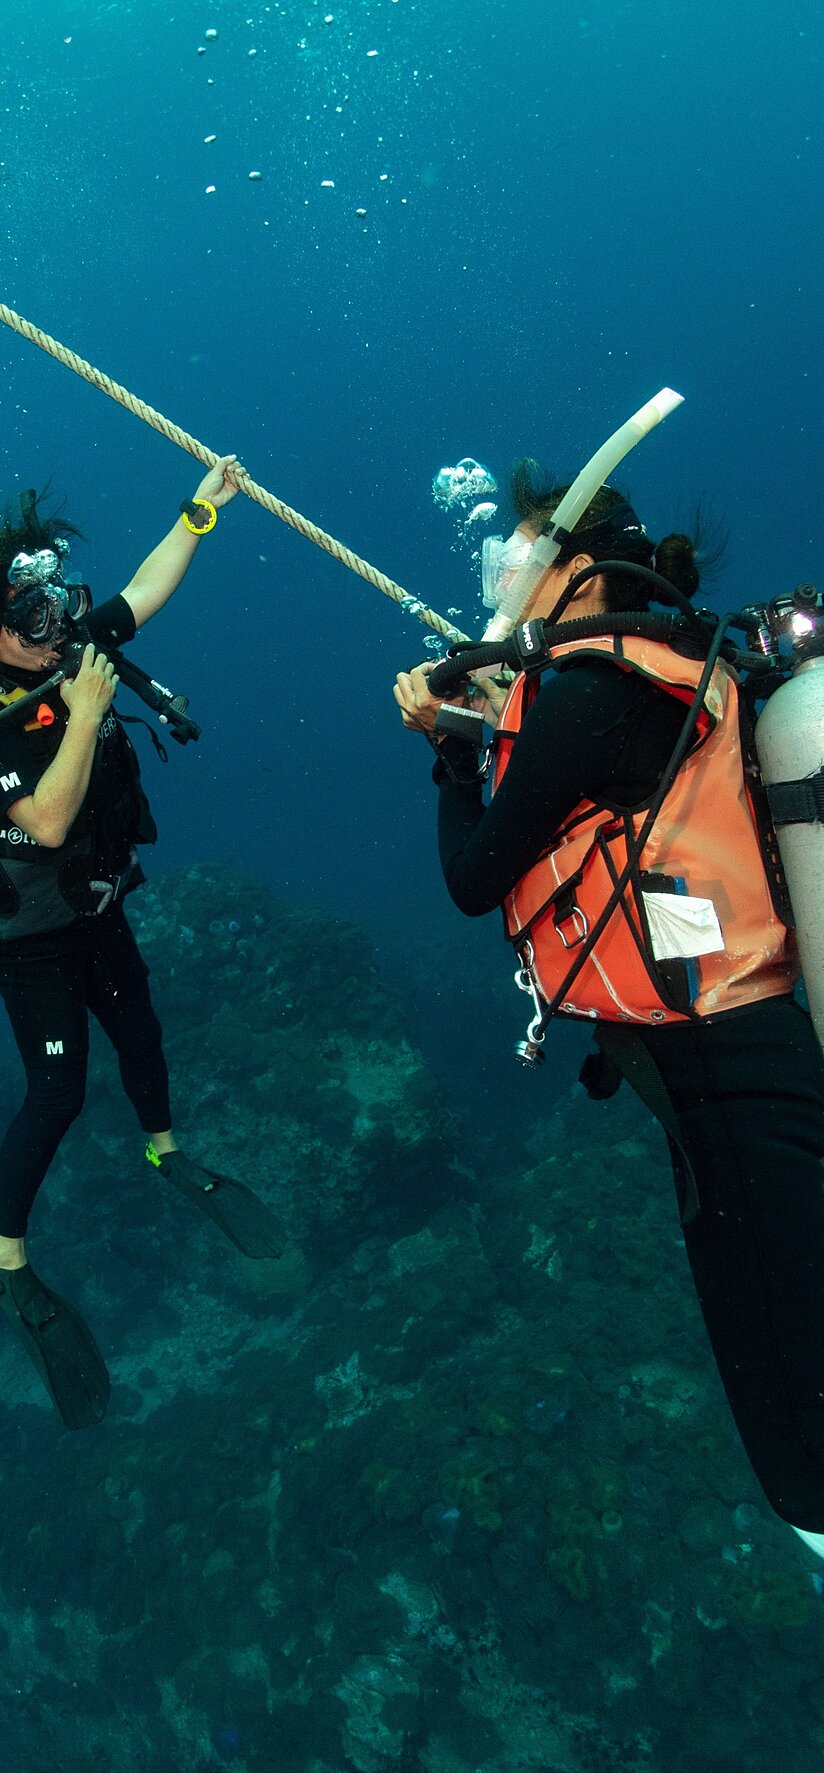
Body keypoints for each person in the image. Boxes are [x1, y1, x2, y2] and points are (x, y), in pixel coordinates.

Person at [394, 461, 824, 1557]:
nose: (502, 569)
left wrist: (448, 755)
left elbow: (471, 879)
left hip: (720, 1066)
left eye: (523, 549)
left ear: (577, 575)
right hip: (743, 1039)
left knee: (779, 1356)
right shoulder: (671, 660)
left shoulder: (588, 691)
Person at [0, 459, 287, 1428]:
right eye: (36, 619)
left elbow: (145, 590)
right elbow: (40, 821)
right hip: (30, 936)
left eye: (57, 608)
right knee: (60, 1089)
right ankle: (2, 1253)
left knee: (145, 1031)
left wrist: (200, 509)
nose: (61, 630)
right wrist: (82, 714)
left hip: (97, 902)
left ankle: (165, 1151)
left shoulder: (64, 640)